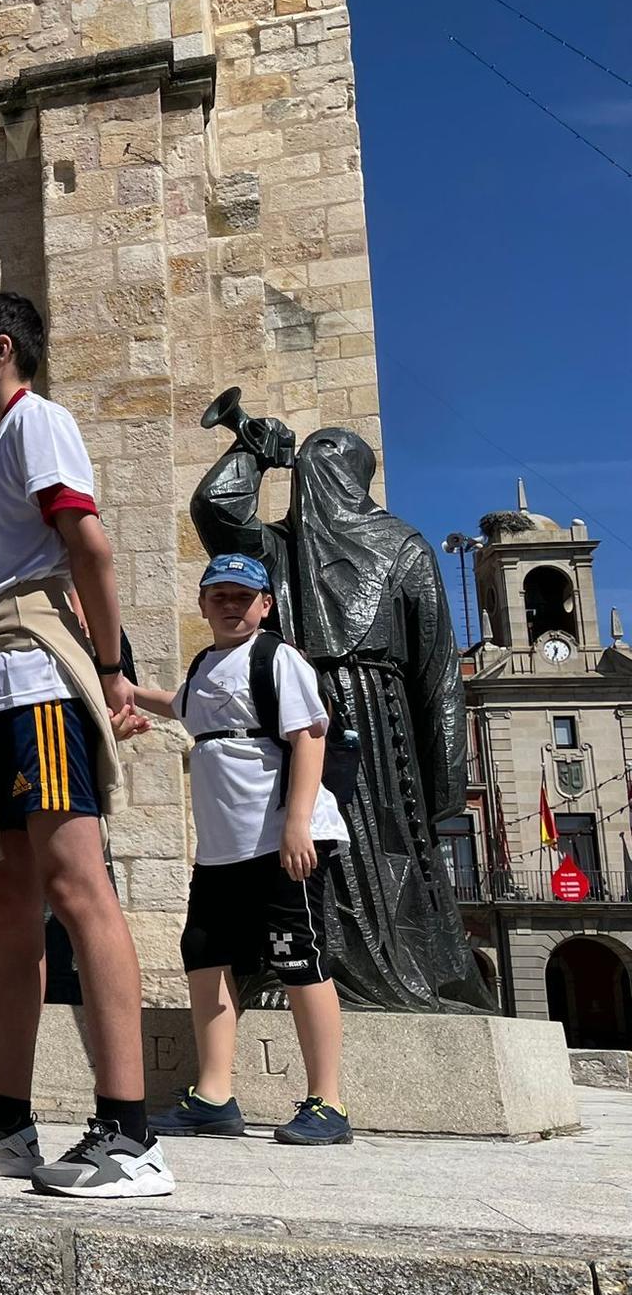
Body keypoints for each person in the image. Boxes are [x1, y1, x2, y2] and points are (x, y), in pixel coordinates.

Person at [0, 292, 173, 1200]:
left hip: (41, 687)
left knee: (77, 886)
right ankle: (8, 1117)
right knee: (8, 899)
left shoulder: (36, 423)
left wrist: (113, 665)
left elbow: (87, 545)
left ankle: (130, 1133)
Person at [191, 414, 487, 1012]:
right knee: (282, 847)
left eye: (327, 459)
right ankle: (281, 970)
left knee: (374, 850)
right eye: (308, 462)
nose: (314, 471)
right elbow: (217, 511)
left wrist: (444, 775)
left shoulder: (403, 546)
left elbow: (435, 670)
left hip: (382, 725)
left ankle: (377, 974)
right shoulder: (281, 547)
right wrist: (252, 449)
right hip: (298, 705)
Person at [130, 554, 354, 1145]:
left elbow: (308, 736)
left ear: (265, 605)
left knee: (297, 957)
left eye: (242, 596)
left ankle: (328, 1103)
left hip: (281, 838)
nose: (230, 604)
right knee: (204, 954)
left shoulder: (277, 658)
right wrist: (123, 691)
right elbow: (180, 706)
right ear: (203, 604)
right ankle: (213, 1095)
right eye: (218, 595)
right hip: (222, 851)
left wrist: (298, 823)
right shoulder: (206, 665)